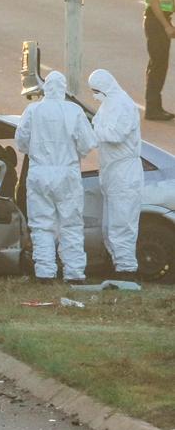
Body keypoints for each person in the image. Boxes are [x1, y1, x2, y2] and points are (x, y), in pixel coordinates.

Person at [15, 71, 97, 284]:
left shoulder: (32, 110)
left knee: (42, 225)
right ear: (63, 89)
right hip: (67, 173)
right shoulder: (74, 111)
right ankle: (75, 273)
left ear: (45, 89)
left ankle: (44, 272)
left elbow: (21, 141)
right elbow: (88, 143)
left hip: (39, 173)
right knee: (71, 224)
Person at [88, 69, 144, 281]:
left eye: (95, 90)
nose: (94, 95)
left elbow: (115, 134)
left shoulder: (123, 104)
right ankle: (117, 264)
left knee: (123, 222)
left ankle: (127, 270)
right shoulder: (109, 104)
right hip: (112, 171)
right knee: (110, 224)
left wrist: (90, 131)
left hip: (124, 173)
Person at [142, 0, 175, 120]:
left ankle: (155, 106)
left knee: (160, 65)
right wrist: (166, 25)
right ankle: (152, 109)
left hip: (160, 21)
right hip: (156, 22)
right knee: (158, 65)